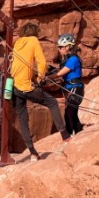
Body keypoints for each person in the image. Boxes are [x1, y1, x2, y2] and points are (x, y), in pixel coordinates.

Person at [11, 22, 70, 161]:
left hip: (15, 87)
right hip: (26, 87)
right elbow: (42, 63)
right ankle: (65, 136)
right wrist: (40, 78)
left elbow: (21, 66)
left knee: (22, 118)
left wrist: (34, 76)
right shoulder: (33, 40)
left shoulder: (17, 43)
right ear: (34, 32)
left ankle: (33, 153)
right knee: (52, 103)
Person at [50, 33, 84, 136]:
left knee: (70, 112)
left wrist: (47, 77)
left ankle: (69, 135)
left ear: (68, 47)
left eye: (61, 47)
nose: (59, 49)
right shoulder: (68, 59)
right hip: (70, 88)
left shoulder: (73, 59)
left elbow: (60, 73)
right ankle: (79, 134)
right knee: (72, 113)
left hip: (75, 89)